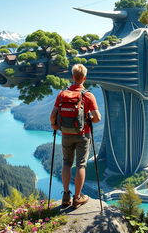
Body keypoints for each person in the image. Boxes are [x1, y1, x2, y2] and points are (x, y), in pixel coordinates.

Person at [50, 64, 101, 209]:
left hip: (66, 134)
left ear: (72, 77)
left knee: (66, 163)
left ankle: (65, 196)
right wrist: (89, 118)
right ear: (84, 78)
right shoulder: (87, 95)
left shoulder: (62, 94)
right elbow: (97, 118)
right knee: (80, 164)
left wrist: (55, 126)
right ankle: (77, 198)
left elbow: (52, 117)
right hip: (82, 135)